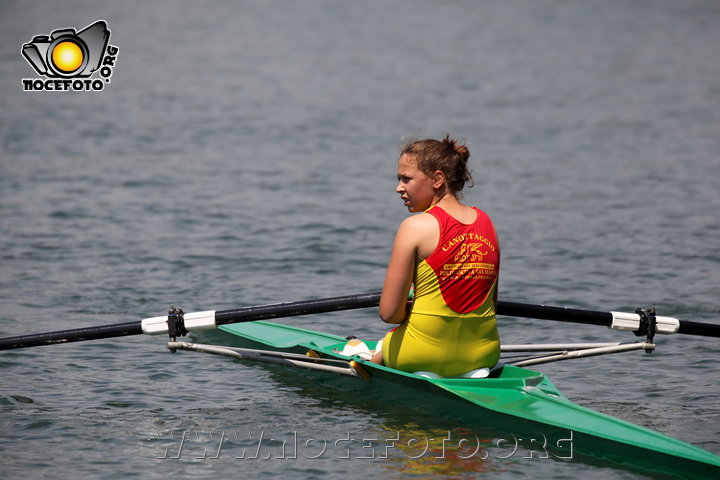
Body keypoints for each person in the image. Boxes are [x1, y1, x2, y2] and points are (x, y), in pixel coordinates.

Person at [370, 135, 501, 377]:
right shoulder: (487, 223)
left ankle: (367, 359)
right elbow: (490, 303)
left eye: (406, 179)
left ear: (438, 179)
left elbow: (389, 314)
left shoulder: (414, 227)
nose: (398, 187)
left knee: (382, 345)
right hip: (481, 356)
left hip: (420, 356)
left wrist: (408, 306)